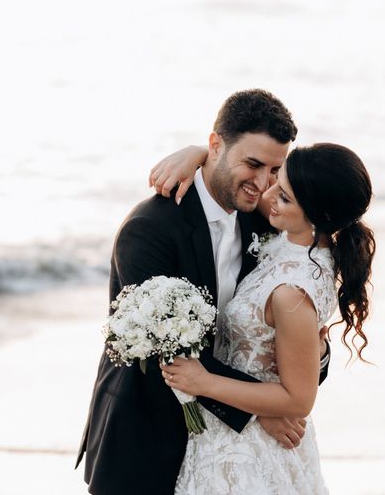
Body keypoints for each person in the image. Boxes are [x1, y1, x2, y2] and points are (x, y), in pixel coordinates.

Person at [76, 89, 331, 495]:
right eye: (253, 164)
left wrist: (313, 355)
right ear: (216, 146)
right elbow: (165, 353)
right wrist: (257, 409)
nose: (263, 183)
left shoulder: (261, 220)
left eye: (274, 170)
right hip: (148, 438)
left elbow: (286, 312)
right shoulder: (150, 229)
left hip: (226, 454)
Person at [160, 142, 375, 494]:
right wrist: (200, 154)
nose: (268, 192)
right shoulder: (296, 238)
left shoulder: (292, 290)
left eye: (284, 195)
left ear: (318, 215)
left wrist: (203, 383)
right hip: (233, 432)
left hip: (251, 452)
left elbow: (299, 400)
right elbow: (232, 183)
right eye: (278, 179)